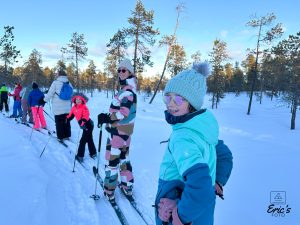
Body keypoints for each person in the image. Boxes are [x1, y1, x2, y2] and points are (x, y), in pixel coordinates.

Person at [154, 62, 232, 225]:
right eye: (168, 96)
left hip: (178, 215)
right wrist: (216, 181)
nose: (171, 103)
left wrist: (180, 216)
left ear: (192, 103)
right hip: (202, 214)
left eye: (178, 98)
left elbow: (200, 183)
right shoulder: (202, 128)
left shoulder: (183, 137)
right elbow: (224, 155)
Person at [98, 58, 137, 205]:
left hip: (117, 135)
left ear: (130, 72)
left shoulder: (127, 92)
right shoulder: (127, 89)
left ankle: (109, 191)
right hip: (125, 134)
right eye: (119, 70)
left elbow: (124, 113)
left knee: (112, 162)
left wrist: (107, 118)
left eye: (124, 70)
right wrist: (108, 118)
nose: (120, 72)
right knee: (124, 159)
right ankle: (127, 186)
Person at [66, 93, 96, 162]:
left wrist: (83, 120)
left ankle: (80, 156)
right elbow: (71, 115)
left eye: (80, 99)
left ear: (82, 100)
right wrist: (66, 118)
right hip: (83, 126)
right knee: (89, 139)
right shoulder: (74, 107)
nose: (78, 101)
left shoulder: (84, 107)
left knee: (82, 141)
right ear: (74, 100)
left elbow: (86, 115)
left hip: (88, 125)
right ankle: (93, 153)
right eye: (77, 99)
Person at [44, 69, 72, 141]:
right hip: (67, 107)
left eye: (57, 74)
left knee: (59, 123)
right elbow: (71, 94)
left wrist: (44, 100)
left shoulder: (55, 83)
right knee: (66, 122)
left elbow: (50, 94)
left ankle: (60, 137)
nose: (56, 75)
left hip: (58, 107)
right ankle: (67, 135)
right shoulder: (69, 83)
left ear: (59, 75)